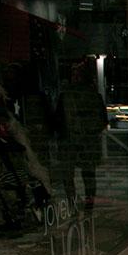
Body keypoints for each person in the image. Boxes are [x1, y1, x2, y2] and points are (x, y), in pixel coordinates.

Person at [55, 59, 107, 212]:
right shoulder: (91, 96)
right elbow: (102, 120)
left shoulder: (68, 96)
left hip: (76, 142)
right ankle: (84, 204)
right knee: (85, 174)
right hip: (83, 142)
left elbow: (58, 121)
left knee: (76, 174)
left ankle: (76, 204)